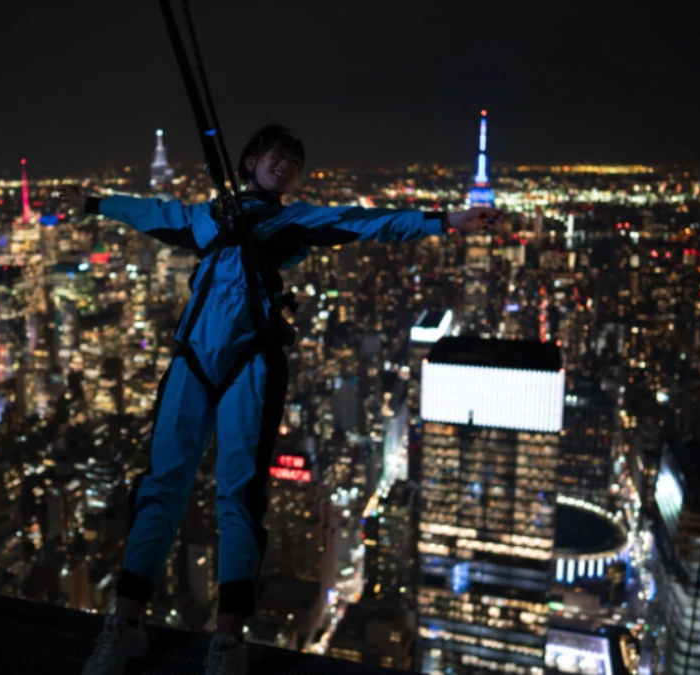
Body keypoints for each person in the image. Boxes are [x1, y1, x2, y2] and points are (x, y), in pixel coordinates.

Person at [59, 125, 501, 675]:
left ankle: (228, 640)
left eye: (295, 160)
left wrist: (447, 220)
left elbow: (366, 222)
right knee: (160, 485)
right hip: (192, 357)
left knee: (240, 493)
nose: (287, 164)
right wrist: (96, 204)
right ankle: (123, 625)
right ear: (249, 161)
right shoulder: (210, 216)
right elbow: (156, 212)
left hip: (252, 358)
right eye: (278, 155)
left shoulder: (290, 220)